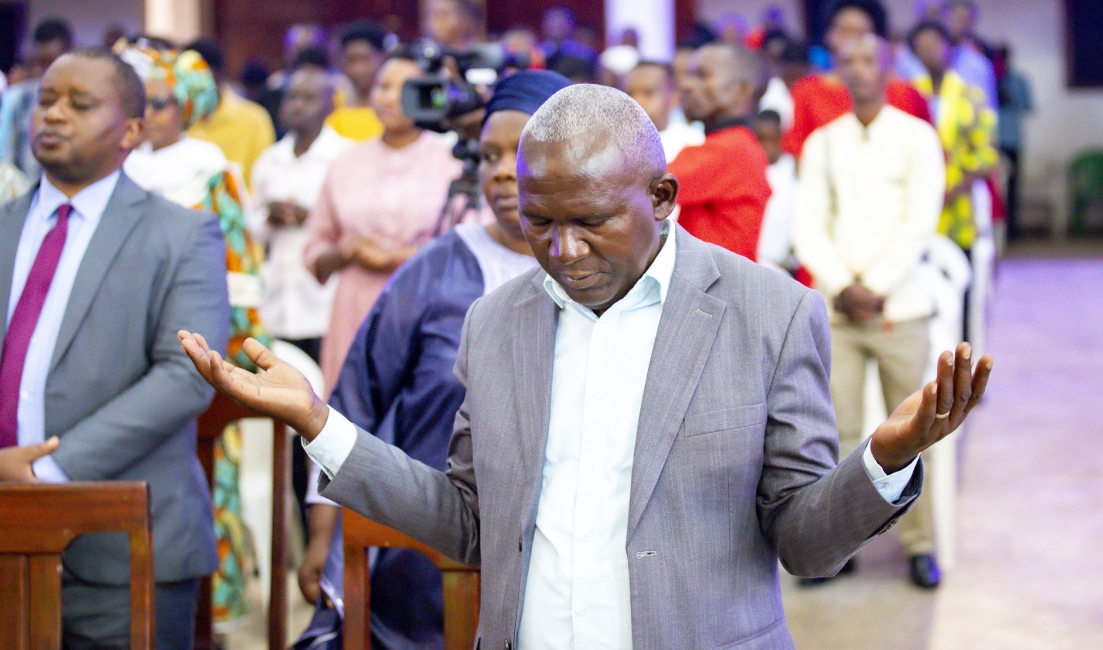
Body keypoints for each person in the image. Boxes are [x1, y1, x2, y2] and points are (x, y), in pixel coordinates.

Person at [179, 81, 992, 648]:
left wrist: (885, 459)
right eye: (539, 223)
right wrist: (322, 427)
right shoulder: (497, 322)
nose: (563, 251)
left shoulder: (765, 312)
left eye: (591, 222)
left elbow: (807, 544)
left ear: (664, 197)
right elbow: (470, 520)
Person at [291, 70, 569, 650]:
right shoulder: (439, 266)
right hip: (424, 559)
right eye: (488, 153)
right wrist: (325, 534)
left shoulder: (603, 274)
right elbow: (355, 402)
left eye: (519, 152)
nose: (498, 170)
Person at [1, 47, 229, 649]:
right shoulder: (1, 225)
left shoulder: (182, 234)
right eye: (46, 100)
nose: (53, 115)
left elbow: (185, 376)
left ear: (130, 130)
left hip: (123, 551)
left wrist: (46, 472)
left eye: (79, 104)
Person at [121, 44, 270, 627]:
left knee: (206, 477)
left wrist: (230, 369)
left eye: (158, 103)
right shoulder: (118, 166)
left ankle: (215, 615)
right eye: (139, 104)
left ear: (185, 106)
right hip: (128, 351)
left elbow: (241, 278)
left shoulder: (209, 169)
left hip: (200, 355)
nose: (148, 115)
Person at [793, 34, 948, 588]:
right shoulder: (822, 143)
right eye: (847, 63)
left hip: (899, 308)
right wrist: (841, 284)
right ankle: (841, 547)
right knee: (839, 433)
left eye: (868, 61)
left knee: (915, 429)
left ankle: (920, 545)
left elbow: (920, 219)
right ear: (836, 72)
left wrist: (877, 285)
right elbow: (807, 221)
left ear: (888, 69)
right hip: (839, 311)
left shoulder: (917, 138)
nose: (857, 71)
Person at [304, 49, 461, 396]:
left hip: (428, 308)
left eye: (402, 88)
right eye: (383, 86)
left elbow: (469, 242)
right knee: (350, 419)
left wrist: (401, 256)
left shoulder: (451, 159)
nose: (389, 97)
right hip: (355, 309)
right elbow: (314, 248)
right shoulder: (345, 162)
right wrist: (347, 250)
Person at [250, 64, 351, 363]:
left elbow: (357, 226)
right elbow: (251, 231)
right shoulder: (270, 159)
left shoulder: (344, 157)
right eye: (292, 97)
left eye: (308, 98)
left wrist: (311, 217)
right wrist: (271, 217)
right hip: (279, 302)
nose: (297, 106)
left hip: (325, 304)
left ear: (330, 104)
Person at [782, 0, 931, 157]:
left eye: (860, 33)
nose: (852, 40)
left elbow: (926, 151)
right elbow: (798, 152)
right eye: (844, 31)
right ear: (828, 36)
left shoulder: (905, 93)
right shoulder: (807, 91)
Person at [669, 42, 772, 260]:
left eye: (702, 75)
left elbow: (639, 186)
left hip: (718, 290)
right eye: (688, 74)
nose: (686, 85)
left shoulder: (731, 150)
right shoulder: (737, 145)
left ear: (742, 90)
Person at [909, 21, 998, 257]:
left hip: (960, 197)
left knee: (961, 270)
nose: (928, 51)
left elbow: (985, 152)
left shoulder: (971, 95)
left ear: (949, 48)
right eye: (921, 47)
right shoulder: (909, 94)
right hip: (917, 200)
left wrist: (956, 189)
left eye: (934, 44)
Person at [184, 38, 277, 187]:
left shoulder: (254, 119)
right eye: (186, 80)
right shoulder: (174, 120)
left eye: (200, 80)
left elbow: (263, 183)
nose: (192, 88)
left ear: (219, 75)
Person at [0, 18, 73, 183]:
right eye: (41, 63)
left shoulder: (84, 99)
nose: (47, 71)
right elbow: (8, 155)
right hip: (28, 192)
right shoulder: (21, 98)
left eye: (53, 62)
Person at [624, 61, 703, 163]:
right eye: (630, 93)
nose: (637, 101)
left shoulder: (693, 141)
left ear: (673, 96)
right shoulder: (616, 143)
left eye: (648, 93)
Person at [326, 20, 387, 142]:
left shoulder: (391, 104)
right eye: (351, 60)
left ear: (381, 57)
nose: (358, 69)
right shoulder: (331, 102)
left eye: (365, 59)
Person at [996, 44, 1033, 239]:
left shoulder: (1019, 80)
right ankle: (998, 229)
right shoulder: (989, 78)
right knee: (994, 189)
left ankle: (1013, 229)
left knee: (1013, 188)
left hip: (1011, 139)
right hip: (992, 141)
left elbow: (1029, 106)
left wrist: (1011, 98)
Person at [753, 109, 797, 272]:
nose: (766, 148)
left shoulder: (794, 168)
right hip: (754, 260)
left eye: (771, 140)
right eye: (761, 140)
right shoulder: (749, 168)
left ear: (781, 136)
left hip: (785, 265)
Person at [942, 0, 998, 110]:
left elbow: (989, 109)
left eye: (967, 21)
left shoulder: (980, 65)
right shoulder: (919, 58)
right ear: (943, 18)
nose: (963, 25)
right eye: (958, 18)